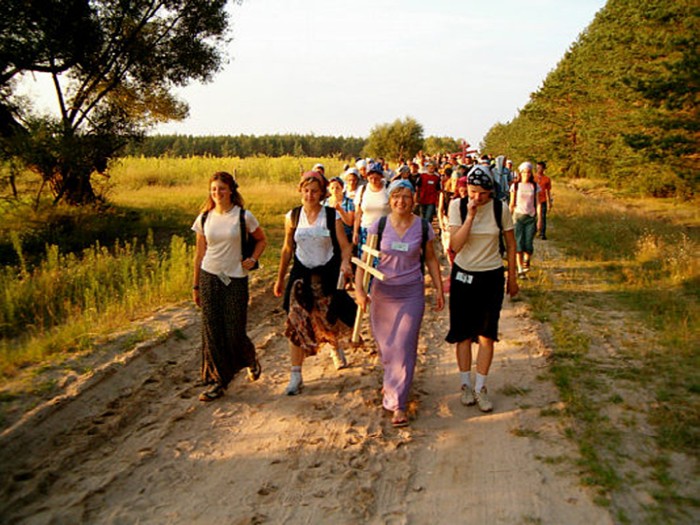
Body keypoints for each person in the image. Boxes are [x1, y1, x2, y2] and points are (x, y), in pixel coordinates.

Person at [355, 179, 444, 427]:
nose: (400, 201)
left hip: (411, 293)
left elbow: (431, 260)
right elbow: (364, 260)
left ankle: (399, 404)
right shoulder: (379, 226)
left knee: (403, 346)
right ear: (389, 200)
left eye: (405, 196)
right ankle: (392, 384)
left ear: (413, 200)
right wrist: (360, 290)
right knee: (387, 348)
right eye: (395, 197)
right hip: (383, 294)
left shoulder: (423, 227)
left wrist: (438, 289)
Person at [273, 171, 355, 395]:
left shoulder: (331, 216)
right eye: (306, 190)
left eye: (315, 191)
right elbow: (287, 248)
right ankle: (296, 375)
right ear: (300, 190)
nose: (310, 195)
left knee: (328, 320)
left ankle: (336, 349)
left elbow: (345, 245)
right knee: (295, 322)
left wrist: (345, 263)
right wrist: (280, 278)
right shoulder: (292, 216)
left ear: (321, 193)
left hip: (326, 275)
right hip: (301, 278)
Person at [446, 169, 518, 412]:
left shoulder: (501, 209)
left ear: (491, 192)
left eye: (483, 194)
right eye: (473, 192)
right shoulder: (457, 206)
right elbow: (455, 245)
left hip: (491, 275)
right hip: (464, 274)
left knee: (487, 335)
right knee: (463, 334)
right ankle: (465, 384)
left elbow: (510, 243)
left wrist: (513, 276)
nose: (477, 198)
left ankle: (481, 387)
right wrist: (470, 217)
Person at [191, 171, 267, 402]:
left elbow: (262, 240)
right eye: (214, 189)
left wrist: (252, 259)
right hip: (209, 276)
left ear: (231, 190)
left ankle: (250, 359)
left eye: (222, 189)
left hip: (235, 278)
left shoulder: (243, 216)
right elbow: (199, 253)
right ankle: (217, 381)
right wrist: (195, 285)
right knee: (212, 331)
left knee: (234, 331)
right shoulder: (204, 218)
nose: (217, 193)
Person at [509, 162, 542, 277]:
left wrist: (539, 219)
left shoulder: (535, 186)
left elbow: (538, 203)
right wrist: (508, 218)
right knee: (518, 243)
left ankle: (526, 261)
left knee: (528, 243)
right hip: (518, 216)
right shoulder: (516, 186)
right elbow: (512, 204)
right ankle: (519, 269)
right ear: (520, 173)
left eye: (528, 172)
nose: (526, 174)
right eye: (524, 172)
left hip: (530, 217)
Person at [353, 162, 390, 252]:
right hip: (366, 229)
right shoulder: (362, 190)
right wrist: (355, 232)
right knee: (365, 260)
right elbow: (358, 213)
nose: (373, 181)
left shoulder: (388, 189)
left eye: (376, 178)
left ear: (381, 177)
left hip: (384, 231)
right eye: (371, 178)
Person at [324, 176, 355, 243]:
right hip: (329, 237)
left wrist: (340, 210)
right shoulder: (325, 203)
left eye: (337, 188)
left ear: (342, 188)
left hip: (345, 237)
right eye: (332, 188)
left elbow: (349, 223)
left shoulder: (349, 202)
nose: (335, 190)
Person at [416, 161, 441, 225]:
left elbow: (438, 189)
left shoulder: (437, 178)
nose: (431, 168)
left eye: (433, 167)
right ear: (427, 168)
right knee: (422, 216)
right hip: (422, 199)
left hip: (432, 200)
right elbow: (417, 187)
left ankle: (426, 230)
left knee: (428, 217)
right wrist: (417, 197)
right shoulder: (422, 176)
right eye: (430, 167)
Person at [534, 161, 553, 240]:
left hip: (542, 200)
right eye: (537, 168)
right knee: (533, 216)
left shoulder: (547, 179)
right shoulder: (533, 177)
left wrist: (549, 202)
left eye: (540, 168)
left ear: (543, 169)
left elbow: (548, 191)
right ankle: (533, 231)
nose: (538, 169)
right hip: (533, 199)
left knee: (543, 216)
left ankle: (542, 233)